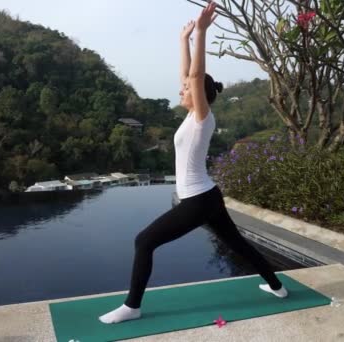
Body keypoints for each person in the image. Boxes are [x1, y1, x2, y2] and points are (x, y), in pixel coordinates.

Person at [99, 1, 287, 324]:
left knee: (144, 241)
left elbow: (196, 74)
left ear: (198, 94)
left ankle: (132, 306)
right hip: (207, 196)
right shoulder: (192, 115)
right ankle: (277, 287)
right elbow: (190, 74)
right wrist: (182, 41)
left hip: (198, 200)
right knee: (238, 245)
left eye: (187, 88)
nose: (182, 88)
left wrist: (201, 34)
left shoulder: (202, 117)